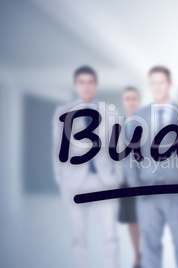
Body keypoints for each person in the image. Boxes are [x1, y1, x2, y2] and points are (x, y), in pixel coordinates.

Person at [125, 66, 178, 268]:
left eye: (161, 82)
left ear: (169, 84)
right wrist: (135, 186)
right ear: (149, 85)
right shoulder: (138, 115)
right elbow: (129, 153)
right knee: (149, 249)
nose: (157, 86)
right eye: (153, 82)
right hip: (147, 193)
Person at [52, 66, 122, 268]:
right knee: (78, 237)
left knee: (110, 236)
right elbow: (57, 148)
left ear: (96, 85)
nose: (86, 86)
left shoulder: (110, 112)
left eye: (90, 82)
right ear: (75, 85)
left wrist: (117, 178)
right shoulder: (62, 112)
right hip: (74, 182)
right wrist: (60, 179)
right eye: (81, 82)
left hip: (104, 181)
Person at [119, 86, 141, 268]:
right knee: (132, 220)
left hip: (144, 180)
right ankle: (137, 256)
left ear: (138, 101)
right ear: (123, 101)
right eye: (128, 98)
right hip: (126, 181)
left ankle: (147, 254)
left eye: (134, 98)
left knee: (146, 220)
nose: (131, 101)